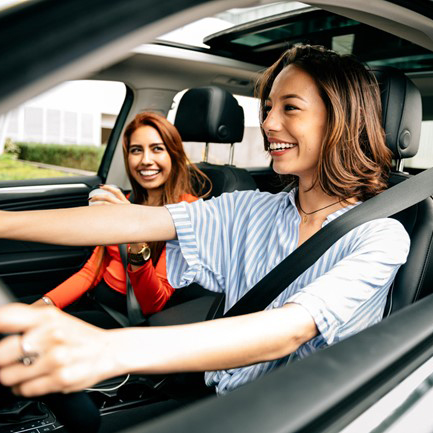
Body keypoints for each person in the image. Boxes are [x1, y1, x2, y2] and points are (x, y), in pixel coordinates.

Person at [0, 45, 410, 400]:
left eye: (290, 108)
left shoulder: (379, 236)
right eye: (268, 109)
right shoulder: (250, 210)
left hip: (306, 412)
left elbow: (290, 329)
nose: (267, 124)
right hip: (225, 399)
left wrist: (106, 349)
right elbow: (133, 222)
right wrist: (4, 223)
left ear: (340, 121)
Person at [33, 112, 208, 327]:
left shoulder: (188, 212)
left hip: (126, 320)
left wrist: (134, 233)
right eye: (136, 150)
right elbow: (91, 272)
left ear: (174, 154)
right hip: (95, 303)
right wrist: (44, 304)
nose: (145, 160)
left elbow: (154, 304)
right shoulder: (127, 200)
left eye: (157, 149)